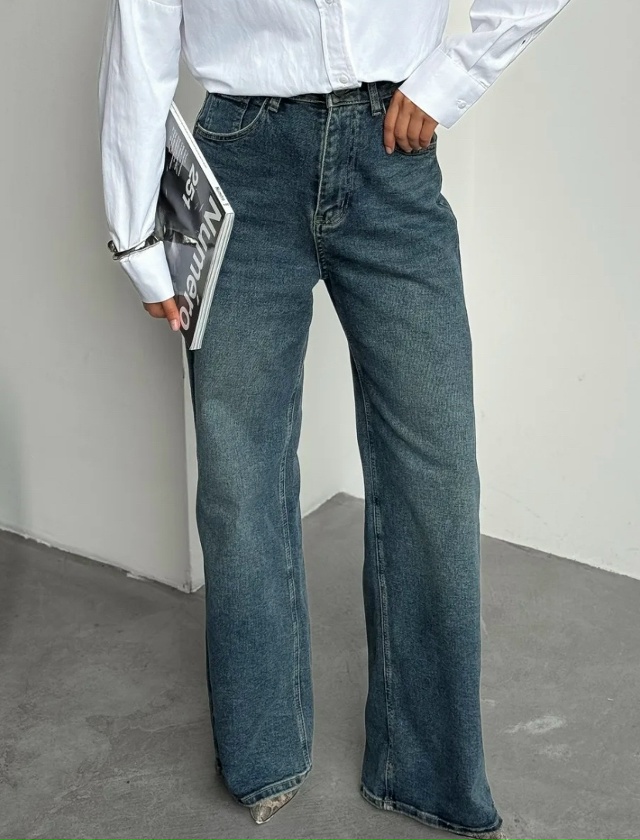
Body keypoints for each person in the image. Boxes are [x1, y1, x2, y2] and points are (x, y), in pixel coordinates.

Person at [97, 1, 572, 836]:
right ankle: (263, 753)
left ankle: (430, 771)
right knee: (239, 483)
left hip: (393, 148)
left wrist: (452, 77)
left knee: (436, 474)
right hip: (239, 158)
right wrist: (136, 232)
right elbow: (143, 19)